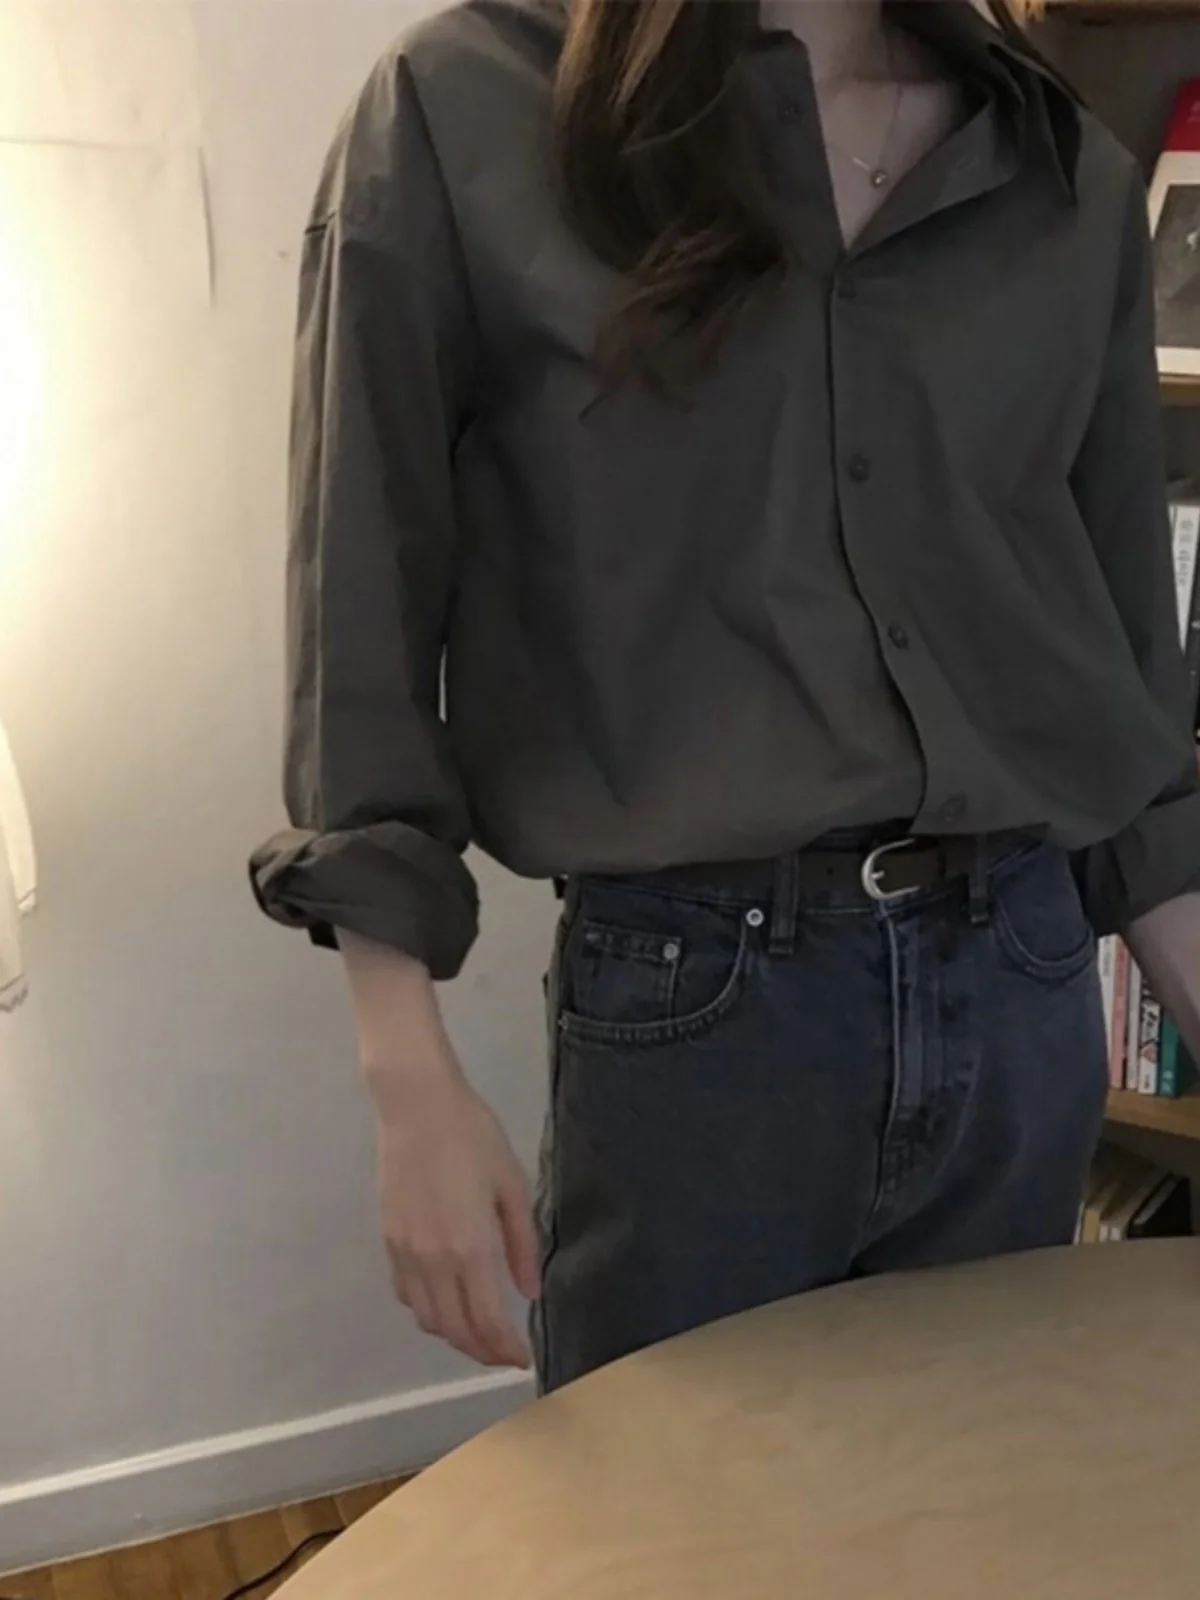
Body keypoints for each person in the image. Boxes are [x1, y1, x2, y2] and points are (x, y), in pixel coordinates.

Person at [252, 0, 1200, 1393]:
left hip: (1020, 986)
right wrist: (406, 1076)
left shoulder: (1054, 157)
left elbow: (1114, 663)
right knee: (673, 1506)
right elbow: (363, 605)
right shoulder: (465, 108)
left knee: (974, 1497)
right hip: (698, 1022)